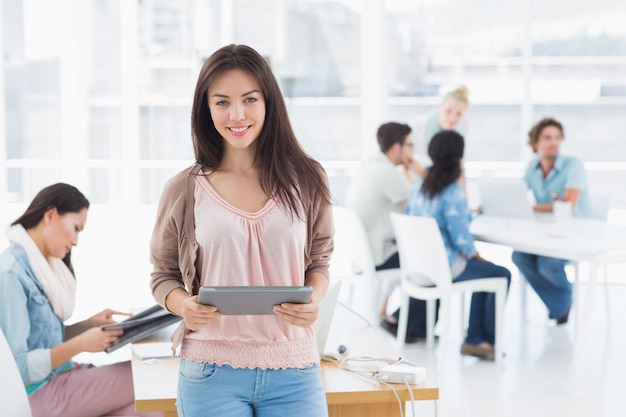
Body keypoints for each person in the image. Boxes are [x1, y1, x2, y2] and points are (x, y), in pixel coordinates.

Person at [149, 44, 334, 417]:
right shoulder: (183, 189)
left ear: (269, 103)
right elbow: (162, 276)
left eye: (249, 99)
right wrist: (184, 305)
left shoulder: (309, 179)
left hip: (295, 368)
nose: (237, 114)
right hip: (210, 371)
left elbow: (319, 260)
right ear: (206, 109)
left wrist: (313, 299)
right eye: (221, 102)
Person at [0, 183, 162, 417]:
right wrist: (82, 343)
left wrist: (87, 326)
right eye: (75, 228)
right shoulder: (13, 274)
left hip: (63, 377)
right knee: (146, 376)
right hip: (41, 394)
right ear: (50, 214)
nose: (75, 241)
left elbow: (43, 340)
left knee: (148, 411)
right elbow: (18, 368)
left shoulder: (41, 268)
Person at [398, 130, 511, 360]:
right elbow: (460, 236)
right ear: (459, 156)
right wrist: (474, 253)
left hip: (418, 268)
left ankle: (477, 338)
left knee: (485, 274)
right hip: (444, 268)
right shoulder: (452, 190)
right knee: (500, 274)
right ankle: (479, 339)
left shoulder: (419, 187)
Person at [345, 122, 427, 341]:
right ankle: (412, 326)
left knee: (411, 251)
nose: (413, 151)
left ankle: (405, 320)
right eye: (410, 145)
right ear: (397, 148)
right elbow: (423, 204)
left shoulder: (370, 167)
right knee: (427, 260)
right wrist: (420, 172)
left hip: (363, 254)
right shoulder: (387, 173)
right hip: (378, 254)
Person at [512, 117, 591, 325]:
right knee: (519, 256)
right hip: (547, 232)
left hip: (576, 231)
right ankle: (560, 303)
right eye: (547, 138)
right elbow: (518, 193)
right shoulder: (533, 167)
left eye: (557, 137)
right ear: (535, 144)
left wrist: (531, 208)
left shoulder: (573, 165)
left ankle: (562, 301)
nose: (554, 142)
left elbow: (568, 203)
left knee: (548, 262)